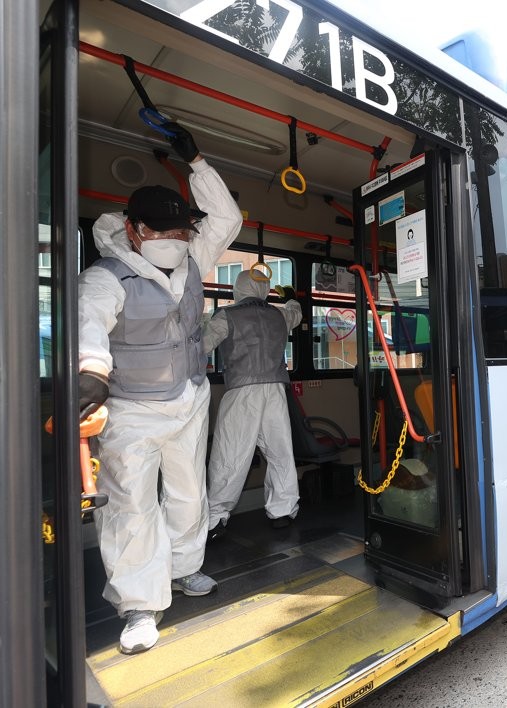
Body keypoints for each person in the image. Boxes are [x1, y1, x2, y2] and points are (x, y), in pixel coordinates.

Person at [78, 123, 243, 655]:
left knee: (188, 492)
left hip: (190, 398)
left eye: (182, 232)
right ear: (133, 229)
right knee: (130, 507)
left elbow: (228, 219)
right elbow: (89, 322)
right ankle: (139, 605)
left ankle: (182, 569)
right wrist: (90, 370)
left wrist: (197, 163)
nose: (176, 240)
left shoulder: (195, 259)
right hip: (130, 409)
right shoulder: (105, 276)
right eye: (165, 232)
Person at [204, 272, 303, 538]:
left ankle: (215, 517)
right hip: (275, 391)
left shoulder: (226, 316)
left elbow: (200, 346)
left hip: (241, 392)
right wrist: (292, 298)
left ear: (238, 288)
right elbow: (296, 313)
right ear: (265, 289)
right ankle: (283, 510)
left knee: (231, 454)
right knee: (280, 452)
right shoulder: (279, 314)